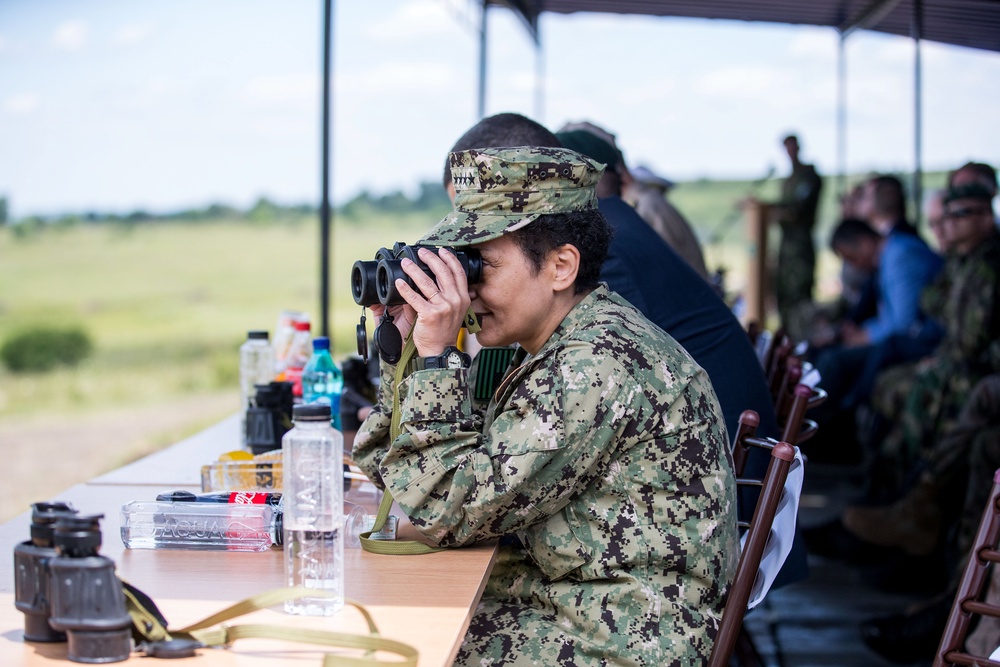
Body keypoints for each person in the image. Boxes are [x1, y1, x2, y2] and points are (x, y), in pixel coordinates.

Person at [353, 146, 739, 666]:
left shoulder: (595, 365)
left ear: (560, 266)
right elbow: (408, 478)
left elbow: (447, 510)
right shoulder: (567, 343)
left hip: (619, 637)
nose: (465, 292)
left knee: (390, 646)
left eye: (480, 266)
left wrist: (439, 357)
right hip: (574, 602)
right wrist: (403, 348)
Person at [770, 134, 823, 331]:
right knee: (783, 295)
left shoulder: (809, 176)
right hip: (786, 244)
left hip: (800, 246)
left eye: (791, 147)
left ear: (799, 147)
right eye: (786, 148)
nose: (789, 152)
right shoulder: (789, 179)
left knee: (798, 296)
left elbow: (798, 210)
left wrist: (777, 212)